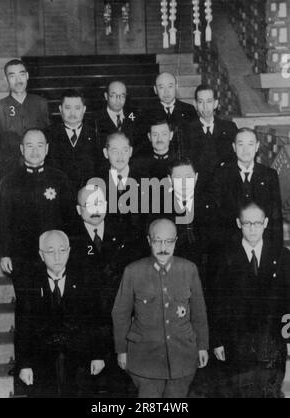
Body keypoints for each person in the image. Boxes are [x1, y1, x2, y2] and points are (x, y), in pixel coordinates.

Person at [112, 218, 209, 398]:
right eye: (157, 241)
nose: (163, 247)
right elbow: (120, 314)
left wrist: (202, 346)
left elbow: (199, 311)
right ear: (149, 241)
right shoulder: (133, 271)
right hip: (144, 358)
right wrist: (122, 350)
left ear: (176, 241)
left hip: (182, 356)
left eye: (168, 241)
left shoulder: (188, 269)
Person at [0, 128, 75, 334]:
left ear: (47, 149)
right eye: (29, 146)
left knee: (57, 306)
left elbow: (70, 219)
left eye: (40, 146)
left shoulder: (59, 179)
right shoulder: (11, 182)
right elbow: (2, 219)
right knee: (27, 309)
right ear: (21, 149)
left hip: (54, 256)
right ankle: (25, 364)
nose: (35, 151)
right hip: (24, 258)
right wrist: (4, 253)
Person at [212, 202, 289, 398]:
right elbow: (217, 302)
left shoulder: (282, 256)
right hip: (237, 343)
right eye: (247, 223)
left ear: (265, 223)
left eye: (257, 223)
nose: (252, 228)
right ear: (239, 223)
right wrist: (218, 340)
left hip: (272, 343)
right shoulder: (224, 257)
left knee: (271, 392)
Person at [16, 230, 106, 397]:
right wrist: (24, 365)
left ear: (69, 251)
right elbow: (23, 327)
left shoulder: (85, 279)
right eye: (50, 252)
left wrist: (98, 355)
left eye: (62, 250)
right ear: (41, 255)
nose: (57, 257)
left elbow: (96, 320)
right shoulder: (29, 283)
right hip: (42, 362)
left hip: (79, 361)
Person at [70, 185, 141, 395]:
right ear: (78, 209)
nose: (96, 209)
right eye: (89, 204)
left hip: (120, 325)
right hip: (87, 326)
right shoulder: (69, 238)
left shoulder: (122, 234)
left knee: (122, 388)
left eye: (100, 203)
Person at [212, 128, 283, 251]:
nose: (245, 150)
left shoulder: (269, 175)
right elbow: (217, 218)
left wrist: (276, 249)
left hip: (262, 244)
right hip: (230, 246)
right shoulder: (221, 175)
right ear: (234, 147)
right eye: (241, 144)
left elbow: (275, 217)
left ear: (257, 147)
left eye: (250, 144)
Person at [0, 59, 49, 184]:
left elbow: (47, 137)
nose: (18, 80)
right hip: (9, 171)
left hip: (37, 169)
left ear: (27, 76)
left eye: (21, 74)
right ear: (6, 79)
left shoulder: (40, 103)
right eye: (12, 76)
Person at [185, 84, 238, 196]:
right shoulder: (186, 130)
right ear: (195, 104)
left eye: (209, 101)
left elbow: (235, 161)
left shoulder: (229, 128)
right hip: (197, 191)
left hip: (225, 189)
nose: (205, 107)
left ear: (215, 104)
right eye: (200, 102)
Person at [46, 89, 96, 193]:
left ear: (84, 109)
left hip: (88, 195)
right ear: (60, 109)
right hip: (58, 195)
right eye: (67, 108)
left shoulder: (96, 136)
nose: (72, 113)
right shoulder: (48, 136)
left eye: (77, 108)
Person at [147, 72, 198, 158]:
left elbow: (195, 142)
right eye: (161, 87)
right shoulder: (147, 113)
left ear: (176, 87)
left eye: (170, 86)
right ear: (155, 90)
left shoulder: (189, 110)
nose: (166, 92)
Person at [94, 81, 141, 163]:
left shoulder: (134, 117)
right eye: (114, 95)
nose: (118, 100)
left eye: (122, 96)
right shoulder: (95, 119)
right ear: (106, 96)